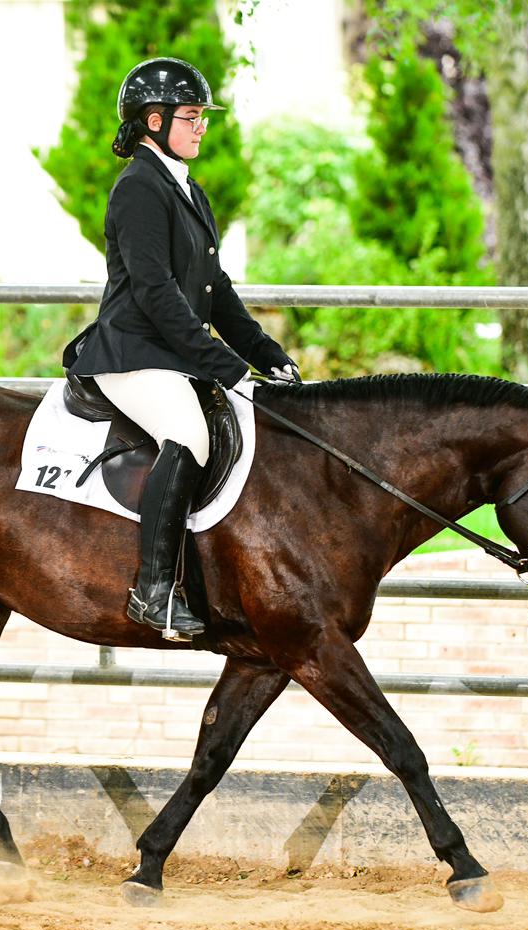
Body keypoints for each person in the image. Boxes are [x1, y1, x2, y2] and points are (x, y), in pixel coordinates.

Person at [63, 56, 301, 641]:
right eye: (191, 116)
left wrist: (267, 354)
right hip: (132, 352)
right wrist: (225, 366)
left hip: (167, 352)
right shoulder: (138, 189)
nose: (201, 127)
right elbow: (156, 295)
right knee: (189, 435)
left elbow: (215, 291)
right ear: (155, 120)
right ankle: (154, 592)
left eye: (201, 117)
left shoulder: (187, 188)